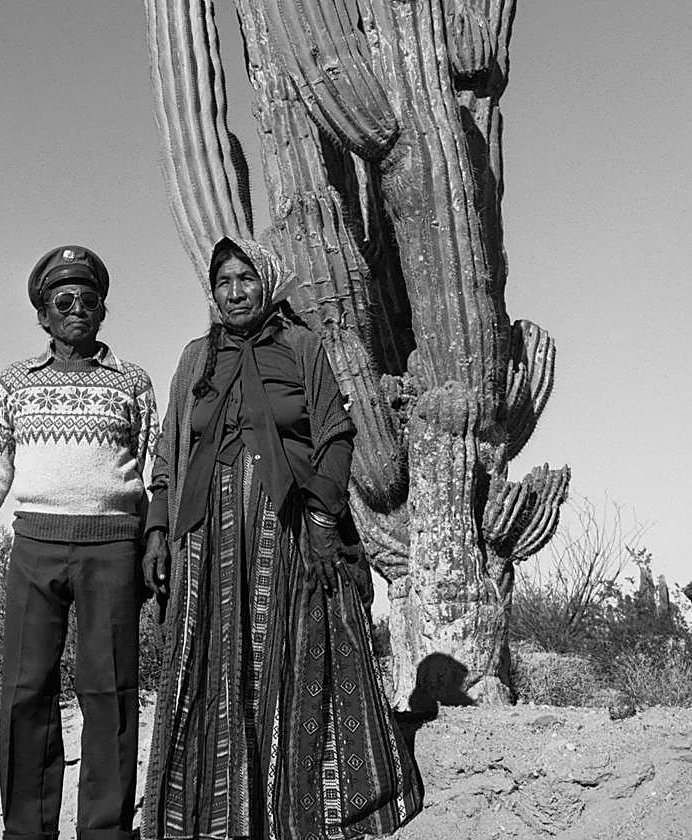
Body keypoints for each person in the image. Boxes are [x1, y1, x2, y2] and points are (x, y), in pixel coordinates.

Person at [140, 237, 423, 840]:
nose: (235, 292)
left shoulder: (301, 346)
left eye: (246, 278)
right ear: (211, 293)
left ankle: (295, 807)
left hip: (287, 526)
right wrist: (159, 529)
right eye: (223, 282)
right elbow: (168, 454)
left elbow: (336, 434)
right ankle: (214, 814)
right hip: (207, 539)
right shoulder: (195, 359)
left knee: (290, 653)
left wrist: (322, 519)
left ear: (264, 284)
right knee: (210, 662)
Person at [0, 244, 158, 840]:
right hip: (34, 547)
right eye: (64, 300)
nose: (77, 308)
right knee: (26, 690)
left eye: (89, 299)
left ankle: (106, 830)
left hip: (113, 548)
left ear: (103, 312)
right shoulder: (15, 384)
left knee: (108, 691)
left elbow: (157, 467)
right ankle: (27, 829)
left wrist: (156, 539)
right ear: (43, 316)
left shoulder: (132, 382)